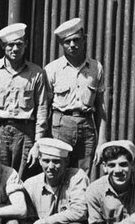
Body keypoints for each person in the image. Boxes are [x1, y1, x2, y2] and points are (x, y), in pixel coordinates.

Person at [0, 23, 50, 179]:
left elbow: (42, 108)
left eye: (19, 44)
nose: (15, 49)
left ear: (26, 44)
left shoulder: (36, 73)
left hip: (24, 133)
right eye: (10, 45)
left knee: (21, 178)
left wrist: (37, 142)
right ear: (2, 45)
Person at [44, 17, 108, 174]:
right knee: (58, 171)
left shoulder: (96, 67)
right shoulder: (52, 69)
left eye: (76, 40)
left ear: (84, 39)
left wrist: (102, 140)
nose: (72, 45)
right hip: (60, 125)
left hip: (87, 126)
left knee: (83, 174)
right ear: (61, 44)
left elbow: (100, 106)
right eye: (67, 42)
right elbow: (44, 108)